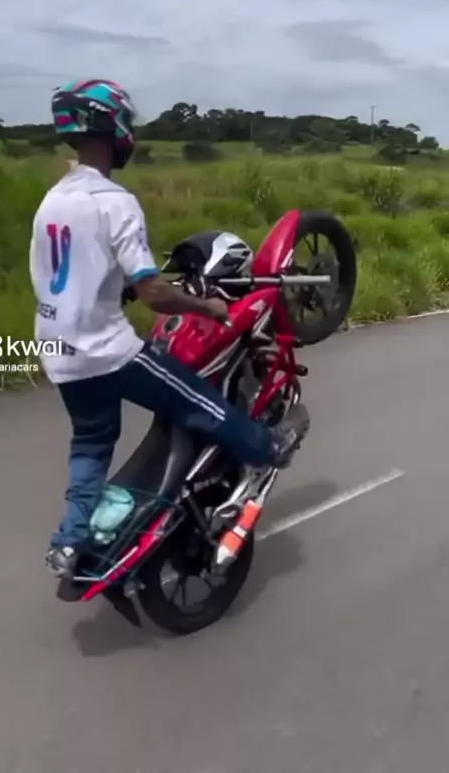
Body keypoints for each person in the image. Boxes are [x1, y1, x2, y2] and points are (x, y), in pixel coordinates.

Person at [29, 78, 310, 577]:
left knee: (91, 444)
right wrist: (210, 308)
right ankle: (267, 448)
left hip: (59, 351)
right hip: (106, 351)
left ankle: (68, 543)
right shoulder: (114, 200)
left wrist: (118, 288)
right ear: (112, 127)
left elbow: (70, 274)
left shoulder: (53, 201)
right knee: (203, 404)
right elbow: (156, 293)